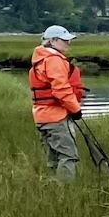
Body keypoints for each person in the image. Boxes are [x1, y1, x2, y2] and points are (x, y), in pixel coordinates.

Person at [29, 25, 86, 180]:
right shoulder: (54, 60)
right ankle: (65, 193)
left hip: (41, 117)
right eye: (65, 40)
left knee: (53, 158)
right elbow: (61, 89)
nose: (68, 43)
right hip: (57, 117)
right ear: (53, 41)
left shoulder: (39, 60)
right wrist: (75, 109)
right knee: (68, 156)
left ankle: (53, 193)